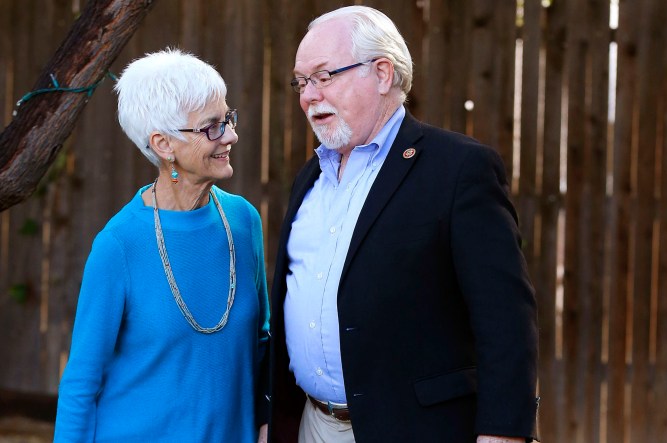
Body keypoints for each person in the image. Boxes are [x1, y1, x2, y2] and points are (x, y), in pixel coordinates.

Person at [269, 6, 538, 443]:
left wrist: (503, 434)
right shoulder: (310, 177)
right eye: (301, 82)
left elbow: (506, 320)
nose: (308, 96)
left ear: (381, 73)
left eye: (323, 76)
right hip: (312, 426)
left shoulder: (459, 170)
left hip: (416, 429)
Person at [53, 48, 270, 442]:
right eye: (212, 127)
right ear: (164, 144)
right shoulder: (118, 245)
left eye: (229, 119)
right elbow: (81, 383)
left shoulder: (243, 221)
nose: (232, 135)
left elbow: (262, 339)